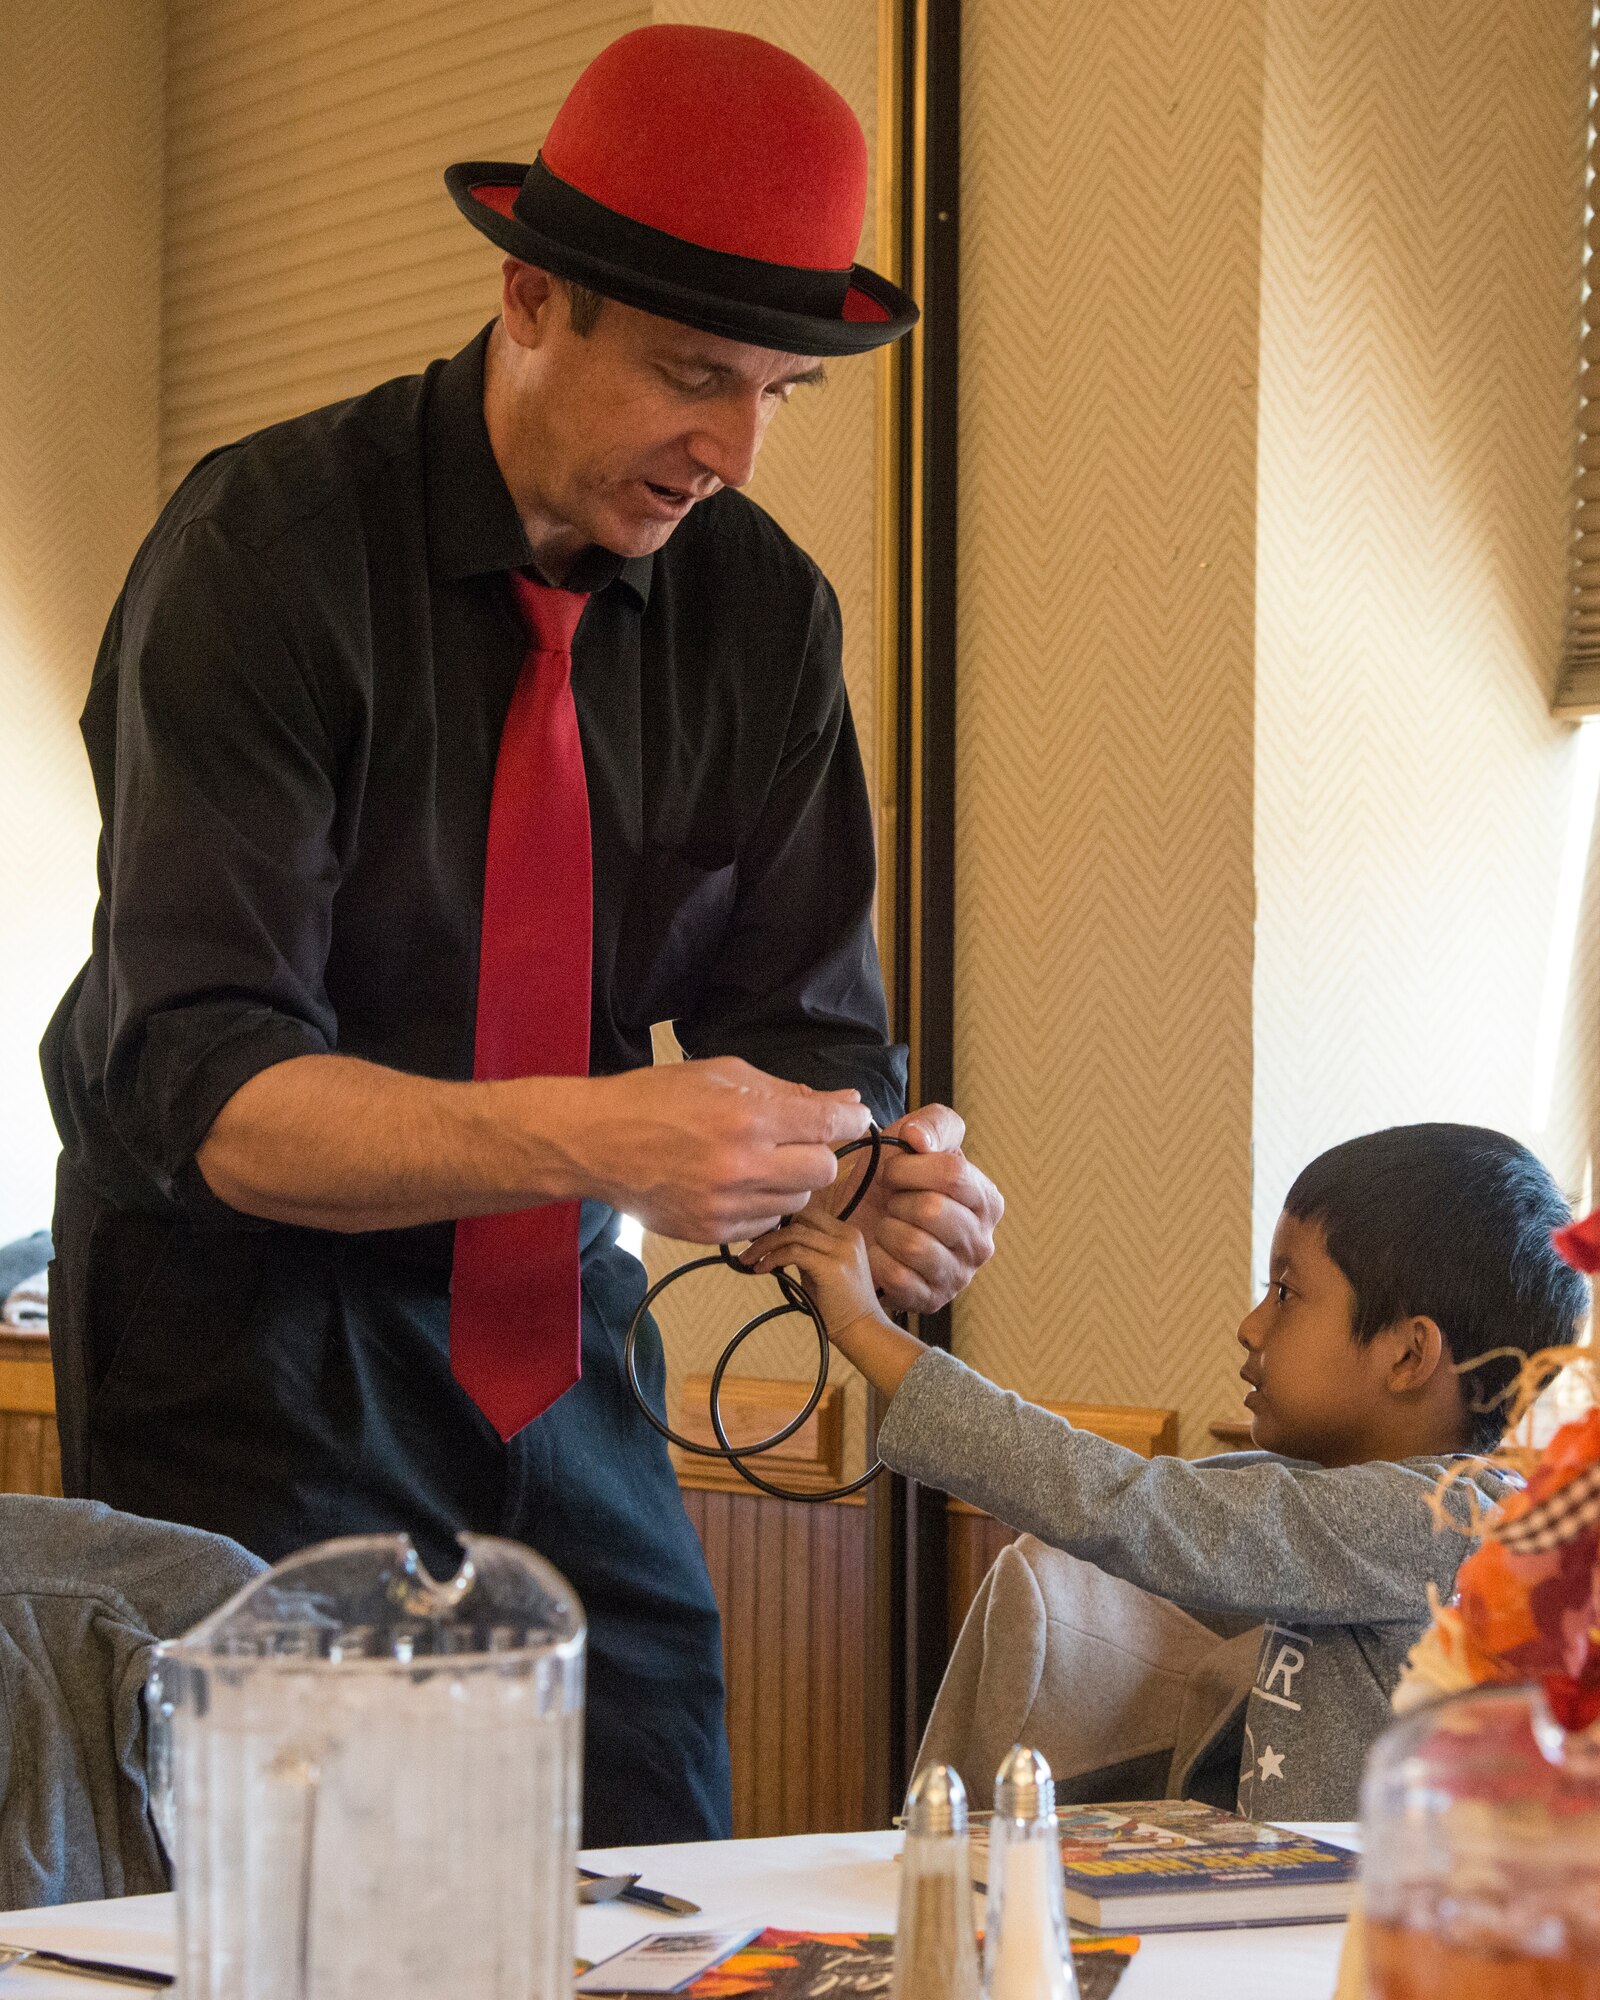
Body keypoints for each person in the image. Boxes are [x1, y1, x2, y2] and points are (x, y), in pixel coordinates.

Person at [40, 24, 1003, 1846]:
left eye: (780, 393)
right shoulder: (261, 555)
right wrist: (598, 1136)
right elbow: (214, 1087)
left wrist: (869, 1173)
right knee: (311, 1917)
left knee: (656, 1857)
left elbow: (808, 1037)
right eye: (690, 374)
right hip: (247, 1353)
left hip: (564, 1354)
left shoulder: (762, 618)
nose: (730, 447)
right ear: (529, 295)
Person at [748, 1123, 1587, 1817]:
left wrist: (866, 1328)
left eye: (1287, 1294)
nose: (1251, 1327)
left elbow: (1131, 1507)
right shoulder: (1376, 1509)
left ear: (1409, 1354)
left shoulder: (1447, 1522)